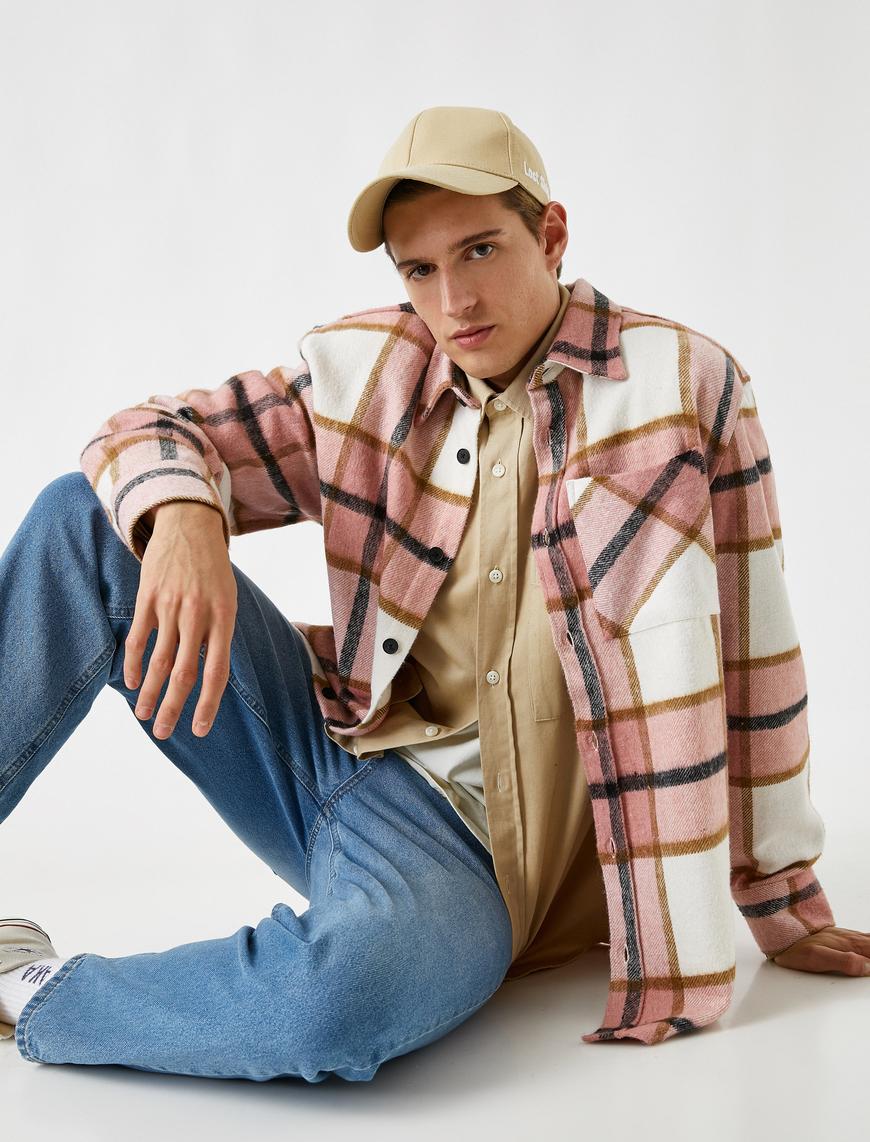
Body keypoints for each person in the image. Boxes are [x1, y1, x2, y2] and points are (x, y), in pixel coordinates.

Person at [1, 104, 867, 1081]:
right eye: (419, 270)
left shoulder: (682, 386)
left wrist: (782, 898)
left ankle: (30, 986)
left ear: (551, 235)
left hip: (467, 863)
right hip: (323, 753)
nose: (453, 300)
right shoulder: (372, 371)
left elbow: (756, 645)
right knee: (85, 519)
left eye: (480, 250)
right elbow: (145, 431)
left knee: (338, 1002)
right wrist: (186, 515)